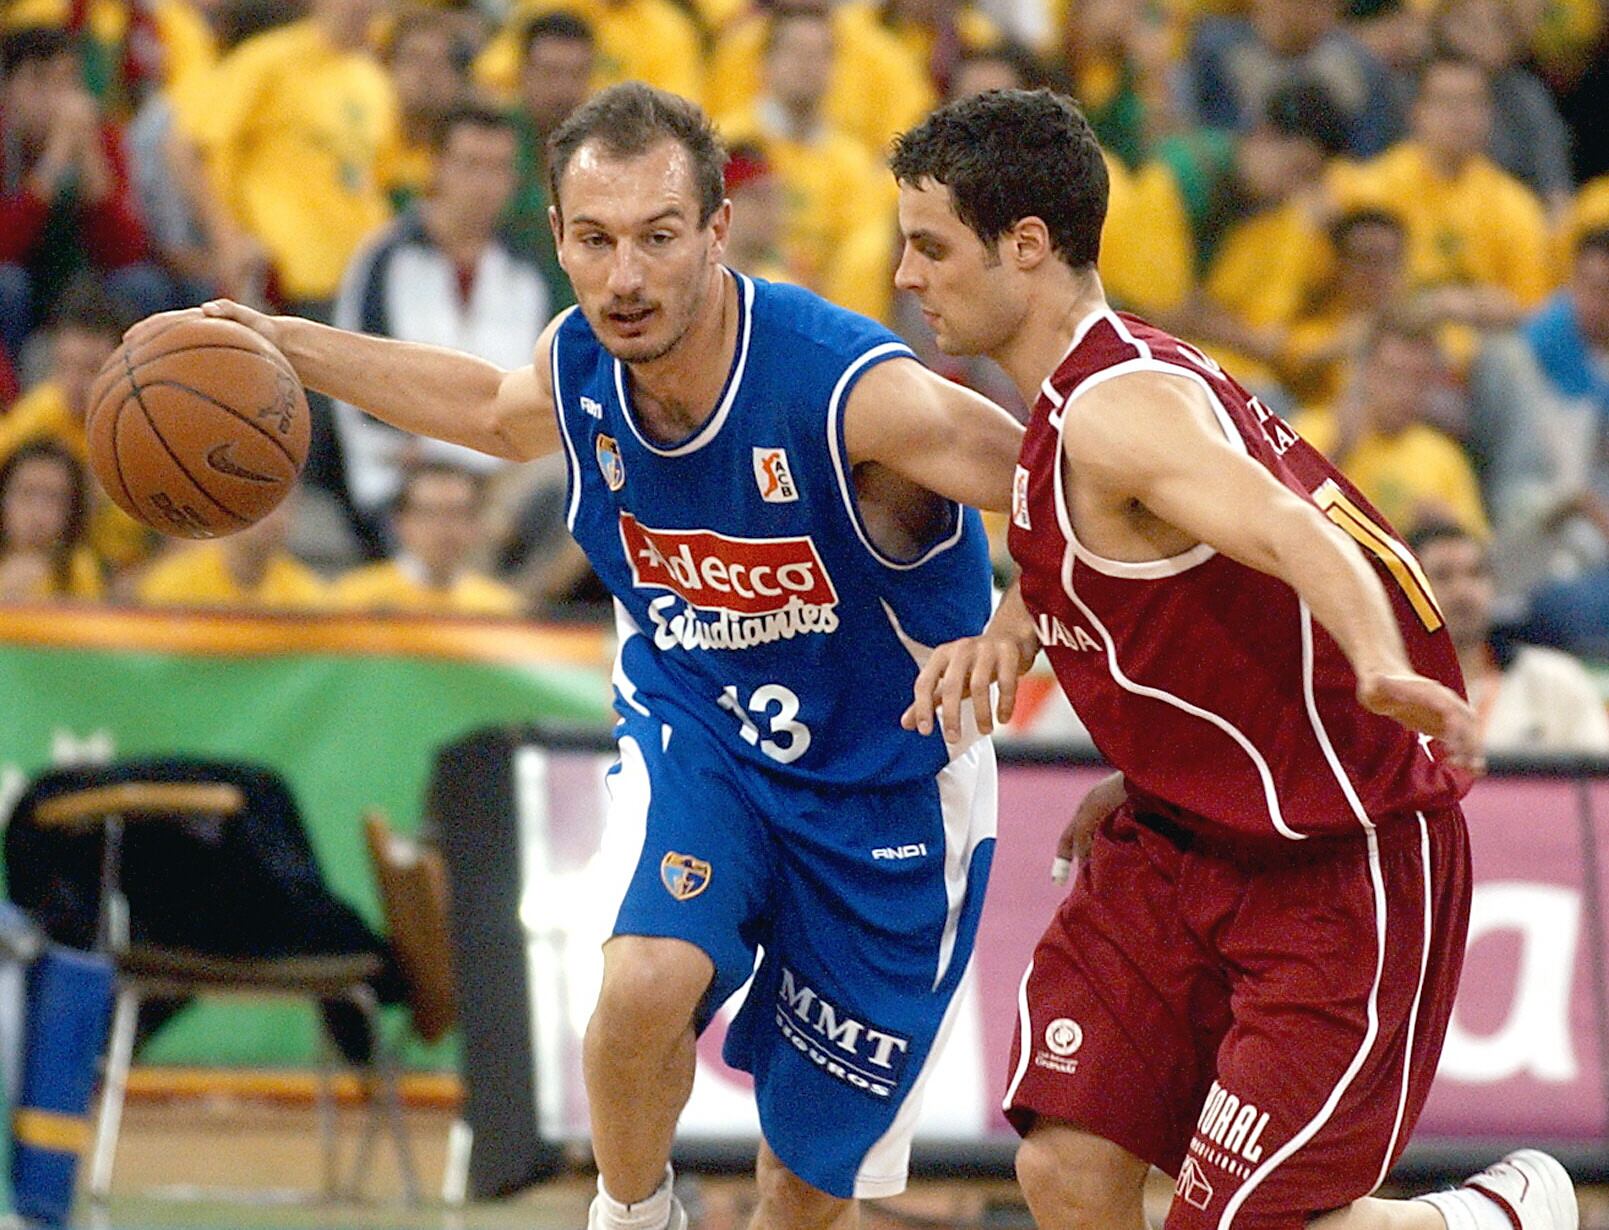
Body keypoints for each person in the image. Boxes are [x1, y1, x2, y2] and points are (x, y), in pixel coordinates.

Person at [156, 81, 1023, 1228]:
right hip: (703, 731)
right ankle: (630, 1213)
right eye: (596, 239)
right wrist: (286, 344)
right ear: (557, 239)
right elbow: (492, 411)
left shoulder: (846, 387)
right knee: (640, 986)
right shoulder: (578, 366)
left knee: (799, 1188)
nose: (626, 276)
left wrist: (1014, 622)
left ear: (715, 232)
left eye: (658, 238)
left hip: (891, 779)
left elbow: (1065, 482)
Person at [889, 88, 1576, 1230]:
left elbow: (1288, 531)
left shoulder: (1124, 412)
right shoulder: (1077, 401)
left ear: (1025, 247)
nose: (907, 275)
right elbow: (1110, 572)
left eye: (929, 245)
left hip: (1334, 856)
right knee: (1065, 1169)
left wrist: (1375, 662)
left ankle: (1484, 1219)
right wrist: (1045, 662)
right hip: (1178, 839)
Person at [1410, 523, 1609, 756]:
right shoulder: (1387, 694)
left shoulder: (1555, 679)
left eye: (1476, 573)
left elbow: (1599, 784)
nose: (1462, 591)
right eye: (1442, 576)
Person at [332, 463, 522, 615]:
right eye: (430, 513)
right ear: (401, 522)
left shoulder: (501, 610)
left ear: (477, 523)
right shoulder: (354, 600)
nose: (444, 528)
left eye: (458, 514)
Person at [0, 439, 102, 601]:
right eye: (26, 493)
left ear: (72, 510)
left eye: (53, 498)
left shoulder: (78, 570)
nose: (38, 514)